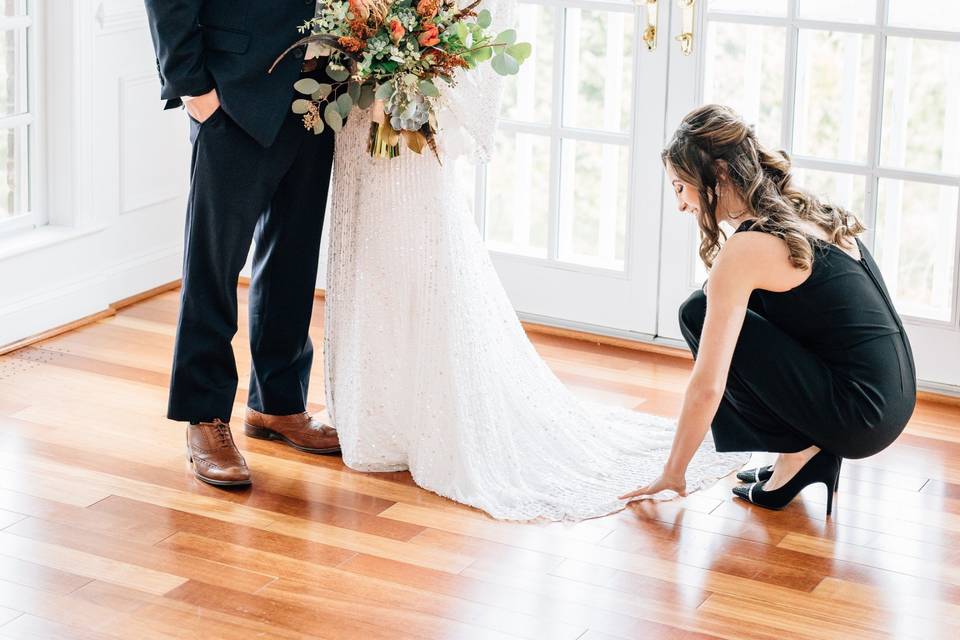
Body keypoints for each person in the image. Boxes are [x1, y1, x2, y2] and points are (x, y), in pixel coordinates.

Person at [321, 1, 746, 521]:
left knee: (420, 256)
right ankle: (376, 411)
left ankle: (432, 414)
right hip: (359, 109)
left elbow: (480, 25)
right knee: (371, 259)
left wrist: (420, 67)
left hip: (413, 113)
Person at [620, 104, 916, 515]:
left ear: (719, 175)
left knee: (698, 311)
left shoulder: (749, 247)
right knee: (724, 304)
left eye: (679, 187)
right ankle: (799, 449)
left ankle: (802, 451)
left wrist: (674, 471)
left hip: (860, 415)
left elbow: (708, 385)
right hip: (890, 399)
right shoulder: (801, 210)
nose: (681, 205)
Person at [144, 0, 341, 487]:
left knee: (292, 257)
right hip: (232, 88)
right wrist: (192, 87)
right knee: (214, 264)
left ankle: (278, 403)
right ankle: (204, 416)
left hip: (320, 89)